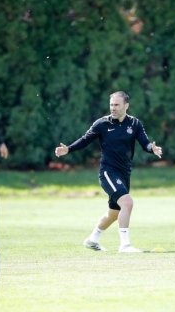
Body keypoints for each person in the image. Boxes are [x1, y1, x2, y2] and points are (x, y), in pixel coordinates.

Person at [55, 91, 163, 253]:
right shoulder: (102, 124)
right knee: (127, 203)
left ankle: (92, 240)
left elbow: (145, 143)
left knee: (114, 213)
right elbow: (85, 139)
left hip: (124, 173)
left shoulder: (135, 124)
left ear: (126, 106)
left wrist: (152, 149)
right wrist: (68, 149)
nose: (113, 108)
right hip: (108, 172)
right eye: (111, 104)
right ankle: (125, 245)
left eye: (117, 105)